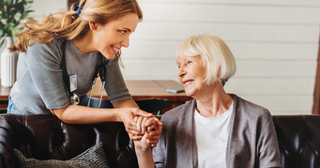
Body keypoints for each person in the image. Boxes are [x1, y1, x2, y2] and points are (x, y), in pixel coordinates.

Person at [7, 0, 162, 147]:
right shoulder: (44, 44)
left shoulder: (106, 52)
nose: (126, 43)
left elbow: (121, 99)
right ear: (94, 23)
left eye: (129, 33)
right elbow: (62, 110)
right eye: (122, 31)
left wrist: (144, 122)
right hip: (27, 117)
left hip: (72, 116)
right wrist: (120, 115)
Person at [134, 34, 283, 168]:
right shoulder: (171, 120)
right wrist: (142, 151)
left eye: (189, 62)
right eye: (179, 66)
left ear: (217, 66)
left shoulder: (256, 117)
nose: (180, 73)